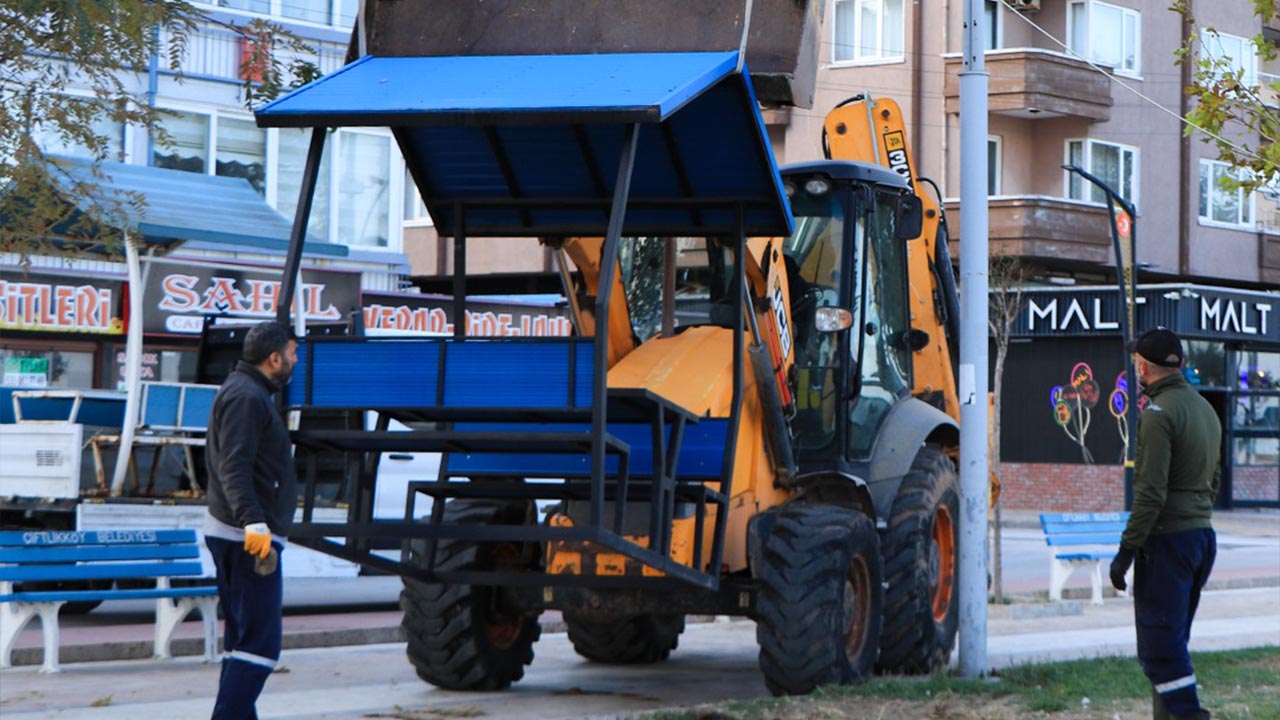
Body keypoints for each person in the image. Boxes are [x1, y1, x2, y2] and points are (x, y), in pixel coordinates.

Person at [1110, 326, 1220, 720]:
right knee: (1175, 642)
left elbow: (1150, 494)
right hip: (1201, 538)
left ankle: (1190, 716)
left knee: (1160, 650)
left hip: (1167, 542)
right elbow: (1215, 478)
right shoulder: (1205, 409)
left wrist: (1126, 551)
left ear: (1143, 366)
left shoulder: (1157, 416)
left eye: (1137, 361)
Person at [203, 321, 299, 720]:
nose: (295, 361)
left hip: (240, 532)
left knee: (243, 644)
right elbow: (235, 466)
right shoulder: (246, 397)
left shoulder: (248, 392)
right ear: (274, 358)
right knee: (260, 645)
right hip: (246, 537)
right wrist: (254, 524)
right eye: (293, 354)